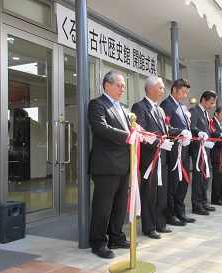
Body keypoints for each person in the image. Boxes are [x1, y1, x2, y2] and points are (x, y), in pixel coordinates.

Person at [88, 70, 136, 259]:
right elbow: (100, 128)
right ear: (107, 85)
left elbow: (132, 128)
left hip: (124, 163)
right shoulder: (97, 104)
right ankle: (98, 242)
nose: (122, 88)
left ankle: (116, 236)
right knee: (103, 205)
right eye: (119, 85)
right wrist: (129, 136)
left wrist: (138, 132)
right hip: (106, 164)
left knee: (119, 204)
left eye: (124, 85)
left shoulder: (124, 108)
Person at [131, 76, 174, 239]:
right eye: (161, 87)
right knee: (149, 192)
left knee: (161, 192)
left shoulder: (160, 109)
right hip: (149, 158)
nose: (163, 91)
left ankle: (160, 223)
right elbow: (140, 133)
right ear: (150, 88)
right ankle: (148, 227)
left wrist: (183, 133)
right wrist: (157, 143)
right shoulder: (139, 107)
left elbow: (167, 129)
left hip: (162, 157)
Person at [160, 79, 194, 225]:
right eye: (183, 92)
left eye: (187, 93)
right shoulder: (166, 105)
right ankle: (170, 214)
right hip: (173, 151)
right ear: (174, 89)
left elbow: (188, 126)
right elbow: (165, 127)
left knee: (183, 183)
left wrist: (195, 132)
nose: (185, 95)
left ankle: (180, 211)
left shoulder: (182, 106)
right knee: (173, 184)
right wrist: (181, 132)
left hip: (184, 149)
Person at [189, 90, 217, 215]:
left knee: (206, 177)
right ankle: (197, 204)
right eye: (210, 103)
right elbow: (192, 127)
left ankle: (203, 201)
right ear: (204, 100)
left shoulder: (205, 113)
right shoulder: (194, 111)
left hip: (206, 149)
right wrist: (199, 134)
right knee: (199, 178)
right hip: (198, 150)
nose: (211, 106)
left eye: (213, 104)